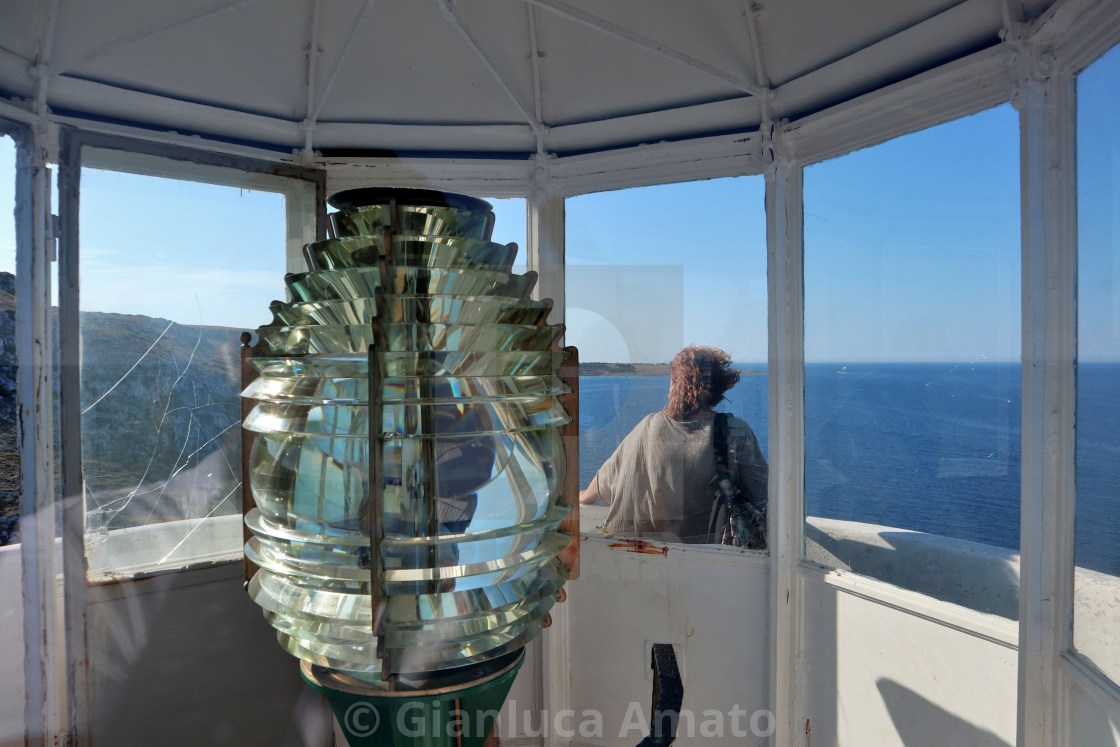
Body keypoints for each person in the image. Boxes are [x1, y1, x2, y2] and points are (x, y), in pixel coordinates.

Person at [578, 345, 768, 544]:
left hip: (648, 557)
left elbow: (608, 477)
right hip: (711, 559)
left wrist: (583, 498)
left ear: (676, 383)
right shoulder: (734, 431)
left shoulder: (650, 426)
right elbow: (763, 493)